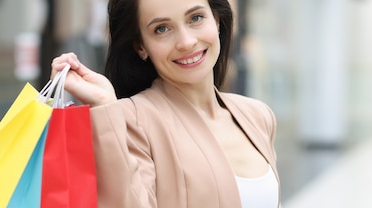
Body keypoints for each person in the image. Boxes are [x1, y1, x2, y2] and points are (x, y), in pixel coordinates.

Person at [50, 0, 280, 207]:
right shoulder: (131, 120)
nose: (186, 42)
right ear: (140, 46)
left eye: (196, 18)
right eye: (162, 29)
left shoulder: (257, 115)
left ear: (217, 20)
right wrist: (105, 108)